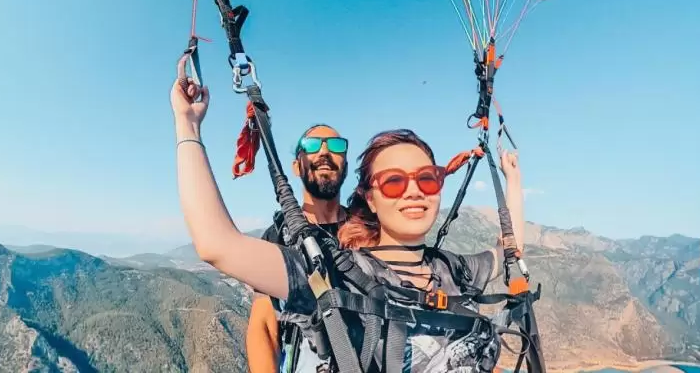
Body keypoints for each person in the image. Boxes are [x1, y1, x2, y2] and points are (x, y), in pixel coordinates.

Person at [171, 56, 525, 372]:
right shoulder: (331, 265)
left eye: (427, 180)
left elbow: (510, 252)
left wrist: (512, 182)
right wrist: (187, 126)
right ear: (372, 197)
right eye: (394, 183)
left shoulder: (443, 266)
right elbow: (227, 260)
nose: (413, 191)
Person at [247, 124, 350, 373]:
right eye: (313, 145)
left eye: (336, 146)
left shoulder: (367, 231)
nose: (324, 151)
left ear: (345, 166)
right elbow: (265, 324)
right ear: (296, 166)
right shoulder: (278, 238)